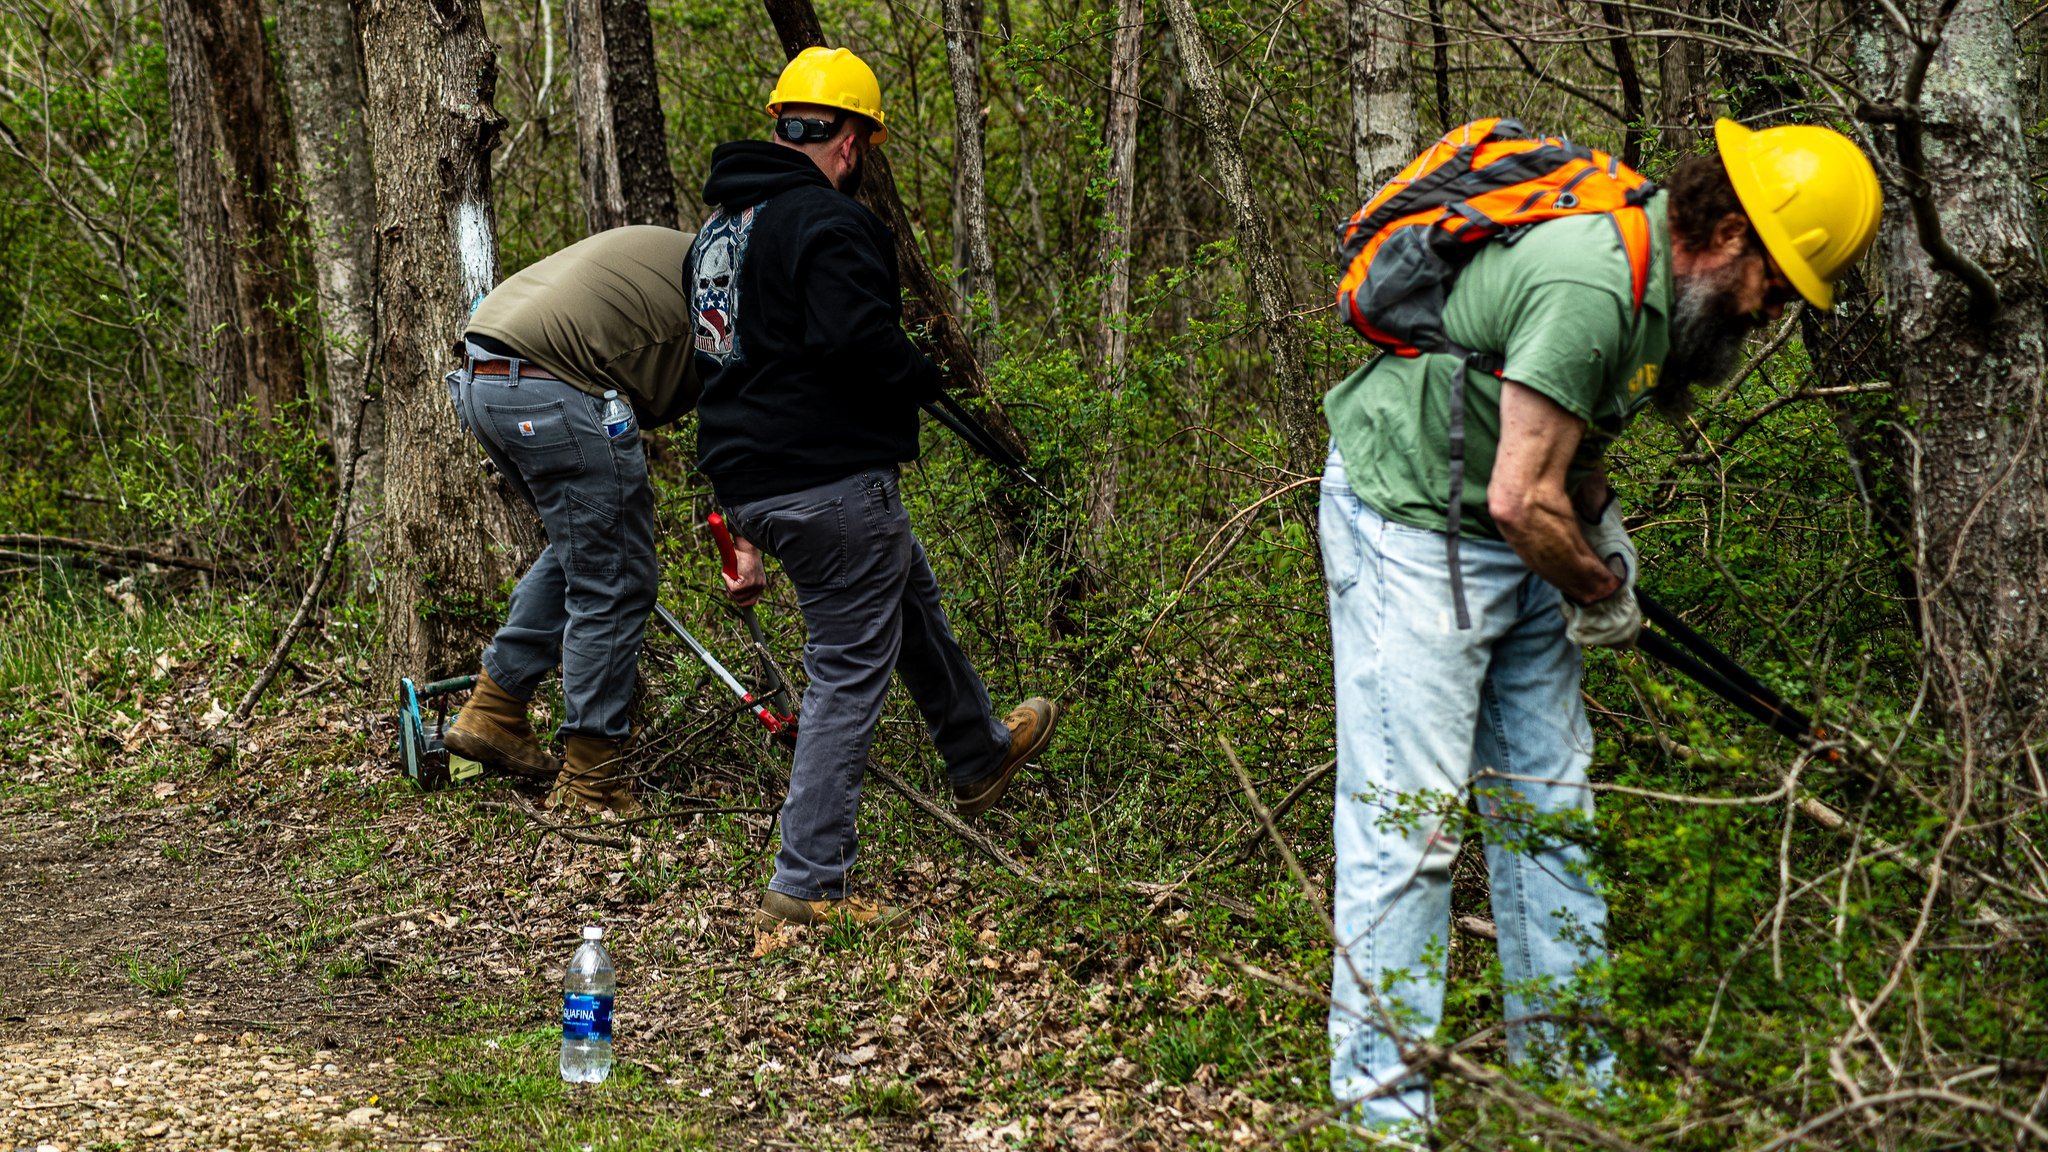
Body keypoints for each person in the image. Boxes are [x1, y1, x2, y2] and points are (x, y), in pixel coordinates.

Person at [1320, 120, 1882, 1126]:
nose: (1773, 312)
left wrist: (1595, 521)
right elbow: (1516, 498)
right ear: (1725, 235)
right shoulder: (1592, 282)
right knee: (1408, 831)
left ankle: (1574, 1099)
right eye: (1777, 285)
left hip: (1514, 529)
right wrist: (1593, 586)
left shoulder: (1654, 292)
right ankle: (1378, 1118)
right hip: (1412, 527)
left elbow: (1559, 452)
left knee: (1549, 821)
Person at [687, 46, 1058, 933]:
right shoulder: (827, 222)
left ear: (785, 125)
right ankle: (806, 883)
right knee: (849, 672)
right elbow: (858, 340)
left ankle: (977, 753)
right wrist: (915, 374)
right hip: (826, 480)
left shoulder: (716, 234)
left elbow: (718, 358)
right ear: (851, 142)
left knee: (906, 591)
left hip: (753, 483)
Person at [441, 224, 702, 819]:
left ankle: (495, 709)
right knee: (615, 578)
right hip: (552, 388)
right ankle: (593, 780)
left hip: (483, 379)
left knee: (583, 551)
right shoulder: (731, 282)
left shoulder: (684, 253)